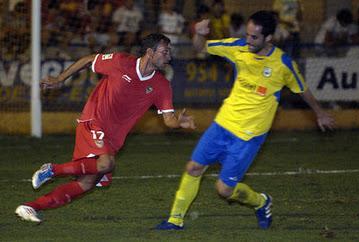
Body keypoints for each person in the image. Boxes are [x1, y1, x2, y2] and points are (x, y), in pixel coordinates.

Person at [155, 11, 335, 230]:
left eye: (254, 37)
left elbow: (302, 89)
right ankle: (175, 220)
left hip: (249, 135)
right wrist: (199, 33)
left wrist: (320, 112)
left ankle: (261, 202)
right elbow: (201, 47)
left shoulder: (283, 64)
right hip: (223, 124)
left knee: (224, 190)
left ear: (268, 38)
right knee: (193, 168)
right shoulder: (238, 47)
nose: (248, 40)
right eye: (248, 35)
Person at [15, 33, 196, 223]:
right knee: (106, 164)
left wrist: (179, 123)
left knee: (86, 183)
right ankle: (53, 170)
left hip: (114, 138)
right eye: (165, 51)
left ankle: (31, 206)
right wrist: (60, 79)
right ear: (150, 52)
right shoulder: (120, 62)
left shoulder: (161, 85)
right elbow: (88, 60)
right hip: (94, 120)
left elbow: (168, 119)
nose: (169, 56)